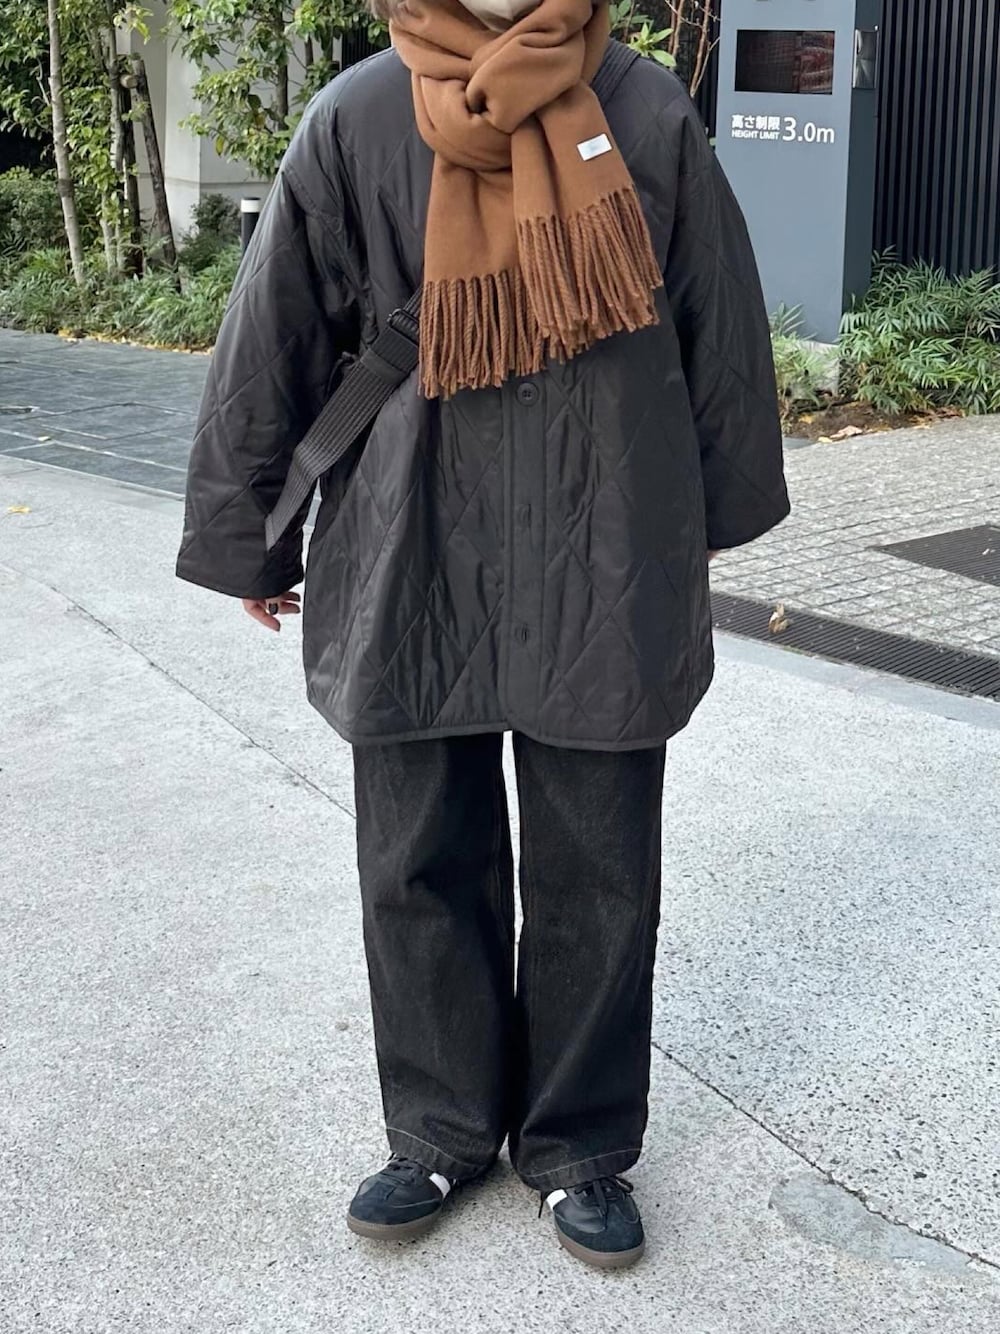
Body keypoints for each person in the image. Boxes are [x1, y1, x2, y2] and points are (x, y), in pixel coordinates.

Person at [176, 0, 789, 1270]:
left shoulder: (644, 110)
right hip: (409, 540)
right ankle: (439, 1126)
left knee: (599, 864)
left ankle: (577, 1142)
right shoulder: (356, 115)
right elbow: (276, 330)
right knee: (415, 855)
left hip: (602, 532)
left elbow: (717, 318)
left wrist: (711, 510)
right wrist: (250, 535)